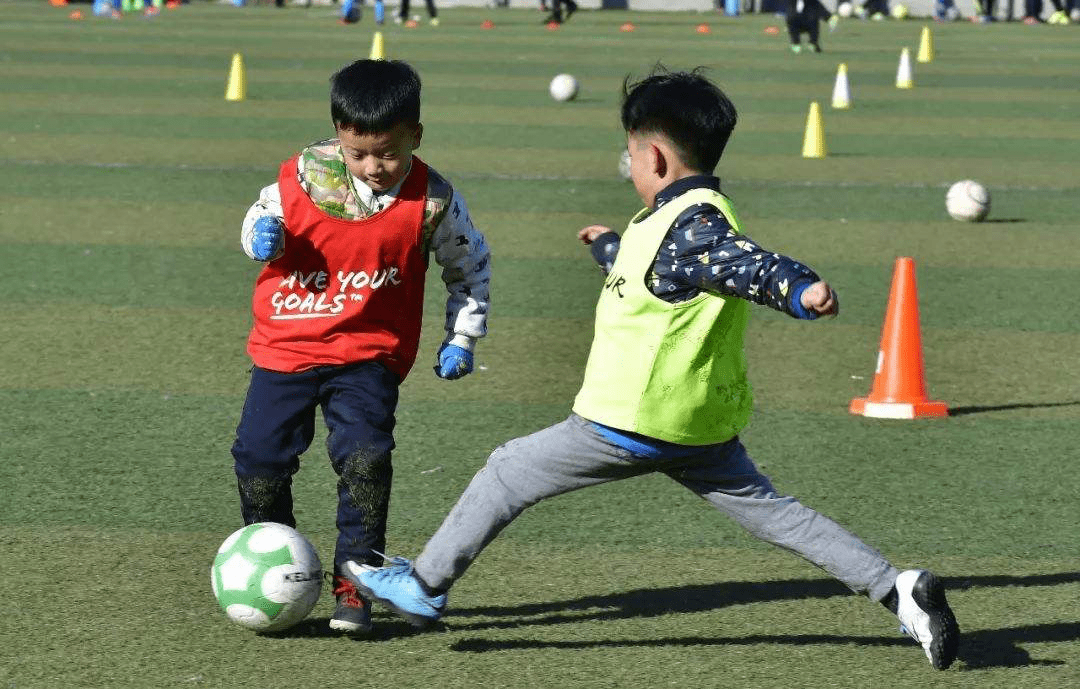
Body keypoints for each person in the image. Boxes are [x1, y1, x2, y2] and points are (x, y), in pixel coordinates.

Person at [343, 67, 960, 670]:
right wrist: (610, 247)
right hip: (700, 426)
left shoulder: (697, 227)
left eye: (631, 154)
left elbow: (744, 263)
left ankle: (424, 585)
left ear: (656, 160)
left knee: (507, 471)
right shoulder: (678, 218)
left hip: (628, 421)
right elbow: (664, 274)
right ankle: (896, 588)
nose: (630, 164)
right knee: (781, 517)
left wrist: (798, 289)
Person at [231, 58, 491, 636]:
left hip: (368, 353)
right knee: (258, 458)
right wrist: (259, 236)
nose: (373, 167)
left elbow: (470, 266)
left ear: (415, 137)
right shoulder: (304, 174)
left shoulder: (434, 201)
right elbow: (258, 215)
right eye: (357, 154)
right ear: (338, 139)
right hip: (286, 346)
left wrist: (462, 337)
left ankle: (356, 586)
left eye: (388, 153)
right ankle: (274, 566)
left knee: (365, 460)